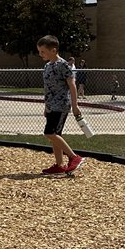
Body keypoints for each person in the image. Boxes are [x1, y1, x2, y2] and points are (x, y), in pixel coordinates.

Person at [36, 35, 84, 176]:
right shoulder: (47, 66)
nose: (40, 54)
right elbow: (48, 88)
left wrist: (75, 105)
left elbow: (72, 85)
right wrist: (46, 106)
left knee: (49, 133)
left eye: (43, 51)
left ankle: (74, 157)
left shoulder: (63, 65)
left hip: (61, 105)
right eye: (39, 51)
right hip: (51, 106)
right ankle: (59, 165)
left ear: (53, 50)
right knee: (56, 135)